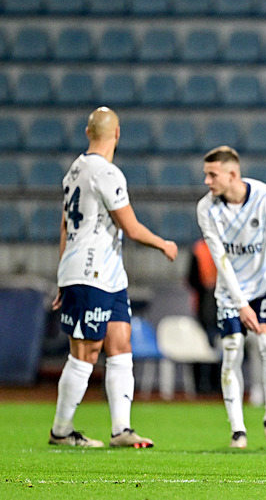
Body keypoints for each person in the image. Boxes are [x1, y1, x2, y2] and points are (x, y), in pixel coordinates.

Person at [50, 107, 178, 448]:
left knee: (121, 345)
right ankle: (61, 431)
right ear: (117, 134)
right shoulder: (106, 173)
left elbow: (64, 226)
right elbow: (131, 228)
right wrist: (163, 244)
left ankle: (122, 429)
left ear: (87, 132)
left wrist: (62, 272)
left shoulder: (74, 169)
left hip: (109, 275)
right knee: (86, 352)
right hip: (88, 273)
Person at [196, 146, 266, 449]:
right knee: (233, 350)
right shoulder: (206, 209)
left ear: (232, 174)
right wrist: (240, 304)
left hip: (263, 286)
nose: (207, 181)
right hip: (230, 291)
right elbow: (220, 259)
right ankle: (238, 429)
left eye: (212, 174)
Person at [187, 238, 220, 394]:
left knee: (218, 343)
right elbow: (191, 278)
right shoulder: (199, 249)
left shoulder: (202, 248)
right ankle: (201, 385)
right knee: (201, 342)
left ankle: (215, 384)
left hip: (219, 302)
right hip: (204, 303)